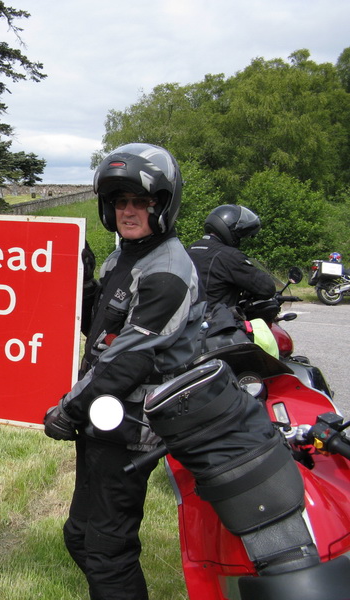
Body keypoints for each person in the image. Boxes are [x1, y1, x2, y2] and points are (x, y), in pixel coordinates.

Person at [43, 143, 205, 600]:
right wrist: (85, 283)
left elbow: (128, 359)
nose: (128, 211)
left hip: (130, 425)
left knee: (108, 553)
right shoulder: (127, 256)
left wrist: (67, 410)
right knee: (80, 536)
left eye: (141, 202)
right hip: (101, 418)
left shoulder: (167, 269)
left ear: (163, 205)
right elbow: (96, 329)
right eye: (120, 202)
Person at [187, 204, 276, 312]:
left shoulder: (189, 250)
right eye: (240, 236)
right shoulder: (229, 256)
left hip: (190, 321)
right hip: (217, 323)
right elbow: (267, 288)